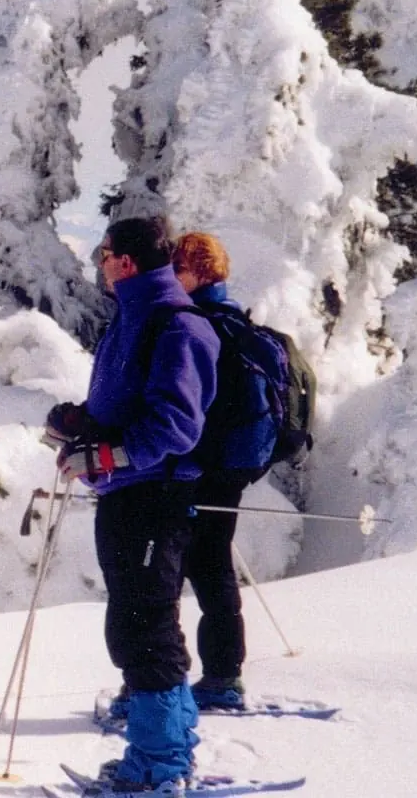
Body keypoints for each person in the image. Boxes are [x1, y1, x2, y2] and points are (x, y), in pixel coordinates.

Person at [44, 215, 219, 792]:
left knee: (144, 629)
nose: (99, 264)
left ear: (126, 261)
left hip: (153, 494)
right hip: (128, 493)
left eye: (104, 254)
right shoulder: (135, 315)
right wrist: (83, 424)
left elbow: (176, 425)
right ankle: (164, 753)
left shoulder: (177, 325)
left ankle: (160, 766)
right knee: (139, 623)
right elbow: (129, 404)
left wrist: (107, 455)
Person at [171, 231, 253, 711]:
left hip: (197, 467)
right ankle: (223, 674)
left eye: (179, 270)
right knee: (213, 566)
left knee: (171, 570)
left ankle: (169, 680)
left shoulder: (199, 326)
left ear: (200, 273)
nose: (173, 278)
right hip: (230, 468)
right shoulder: (235, 320)